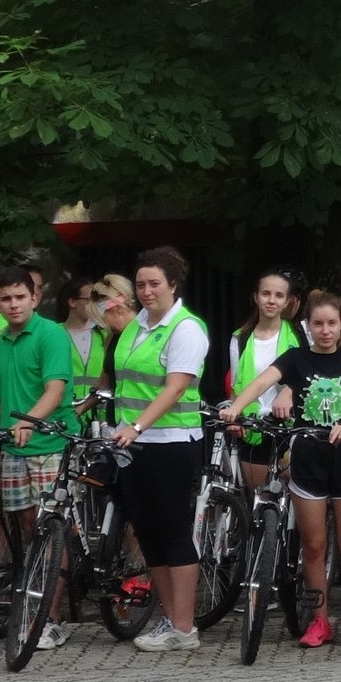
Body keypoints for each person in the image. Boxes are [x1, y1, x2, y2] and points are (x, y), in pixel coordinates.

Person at [222, 290, 341, 650]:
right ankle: (320, 621)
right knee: (314, 546)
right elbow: (261, 382)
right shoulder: (296, 358)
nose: (325, 330)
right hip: (307, 458)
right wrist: (237, 407)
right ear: (309, 326)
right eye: (318, 324)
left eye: (331, 323)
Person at [108, 248, 210, 652]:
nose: (147, 291)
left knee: (173, 529)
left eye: (154, 284)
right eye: (141, 285)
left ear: (173, 285)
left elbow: (176, 387)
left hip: (171, 442)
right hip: (133, 444)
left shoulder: (186, 328)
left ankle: (185, 627)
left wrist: (136, 426)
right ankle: (170, 619)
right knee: (147, 531)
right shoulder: (136, 325)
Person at [0, 268, 75, 648]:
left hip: (49, 443)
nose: (14, 305)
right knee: (28, 529)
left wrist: (29, 421)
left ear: (34, 298)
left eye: (20, 297)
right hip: (14, 448)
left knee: (52, 529)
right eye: (6, 299)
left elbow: (55, 390)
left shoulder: (50, 333)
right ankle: (37, 605)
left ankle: (50, 619)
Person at [227, 270, 303, 496]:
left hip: (290, 426)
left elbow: (311, 375)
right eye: (266, 294)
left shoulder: (300, 335)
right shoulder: (240, 338)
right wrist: (234, 416)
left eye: (279, 295)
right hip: (253, 427)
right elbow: (236, 385)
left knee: (295, 500)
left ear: (287, 301)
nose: (271, 300)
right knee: (261, 499)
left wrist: (289, 391)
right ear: (256, 297)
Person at [92, 274, 136, 398]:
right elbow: (104, 381)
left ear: (118, 309)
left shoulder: (143, 334)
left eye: (103, 316)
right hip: (117, 408)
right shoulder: (111, 337)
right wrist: (82, 407)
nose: (101, 323)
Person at [60, 277, 105, 386]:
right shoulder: (54, 333)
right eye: (88, 300)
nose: (93, 305)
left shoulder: (104, 334)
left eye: (95, 300)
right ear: (72, 302)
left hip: (97, 396)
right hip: (66, 396)